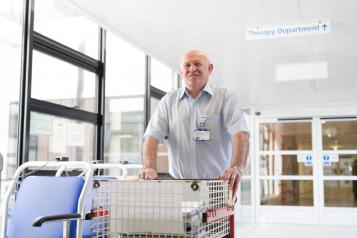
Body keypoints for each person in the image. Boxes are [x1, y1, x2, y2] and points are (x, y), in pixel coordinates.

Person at [139, 49, 249, 187]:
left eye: (197, 64)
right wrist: (149, 167)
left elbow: (241, 135)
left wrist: (235, 168)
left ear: (209, 69)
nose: (192, 69)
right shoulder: (168, 101)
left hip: (218, 186)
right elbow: (152, 138)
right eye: (187, 65)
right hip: (179, 186)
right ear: (181, 72)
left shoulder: (226, 98)